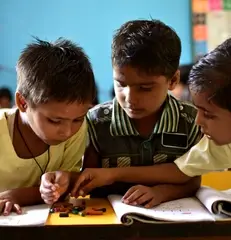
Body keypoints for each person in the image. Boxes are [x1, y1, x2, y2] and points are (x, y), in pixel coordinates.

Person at [40, 19, 202, 208]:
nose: (130, 98)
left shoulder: (190, 120)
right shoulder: (96, 122)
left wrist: (160, 193)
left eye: (145, 88)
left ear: (173, 80)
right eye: (121, 84)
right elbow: (89, 177)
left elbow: (192, 180)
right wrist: (64, 179)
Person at [0, 38, 96, 215]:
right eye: (54, 121)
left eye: (78, 119)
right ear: (23, 102)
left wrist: (62, 182)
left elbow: (69, 185)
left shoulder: (77, 130)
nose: (67, 131)